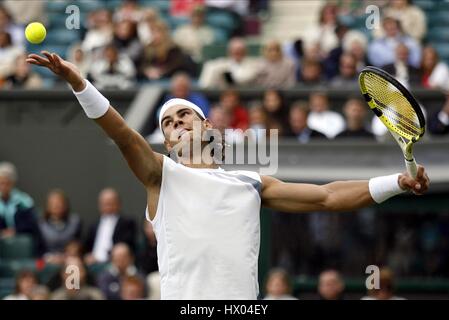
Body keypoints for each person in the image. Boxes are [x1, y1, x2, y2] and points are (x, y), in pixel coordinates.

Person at [27, 50, 430, 299]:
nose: (178, 123)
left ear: (207, 128)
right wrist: (79, 83)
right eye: (168, 123)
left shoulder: (250, 182)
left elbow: (328, 196)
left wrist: (397, 182)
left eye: (186, 115)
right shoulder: (160, 175)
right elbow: (122, 133)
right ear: (166, 141)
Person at [0, 162, 44, 255]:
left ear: (12, 183)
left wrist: (15, 230)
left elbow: (32, 224)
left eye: (6, 183)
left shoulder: (24, 201)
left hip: (22, 243)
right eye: (1, 183)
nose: (3, 187)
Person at [84, 188, 136, 264]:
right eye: (105, 204)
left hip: (114, 262)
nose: (108, 207)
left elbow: (127, 245)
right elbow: (87, 245)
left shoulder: (127, 223)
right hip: (92, 261)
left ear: (119, 204)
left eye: (111, 203)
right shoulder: (94, 225)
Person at [39, 189, 82, 265]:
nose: (56, 205)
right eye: (53, 203)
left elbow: (77, 243)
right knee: (38, 265)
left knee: (75, 264)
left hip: (69, 258)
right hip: (46, 259)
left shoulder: (75, 222)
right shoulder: (40, 224)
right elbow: (38, 249)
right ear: (48, 206)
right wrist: (49, 257)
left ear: (65, 205)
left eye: (59, 202)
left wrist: (72, 251)